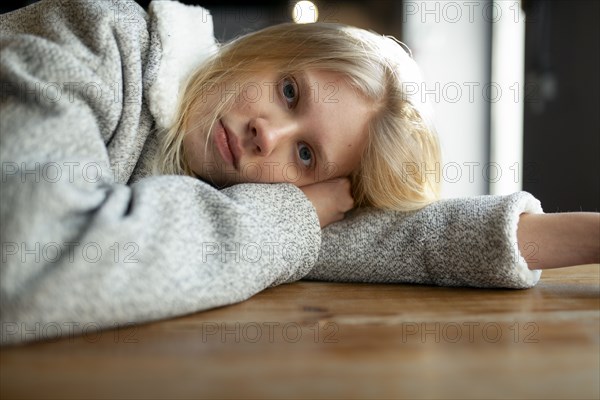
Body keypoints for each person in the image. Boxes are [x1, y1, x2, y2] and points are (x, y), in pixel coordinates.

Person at [0, 0, 597, 346]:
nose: (269, 133)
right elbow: (26, 256)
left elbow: (396, 236)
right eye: (289, 91)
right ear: (263, 49)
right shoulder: (96, 40)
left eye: (306, 155)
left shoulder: (234, 187)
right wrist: (285, 214)